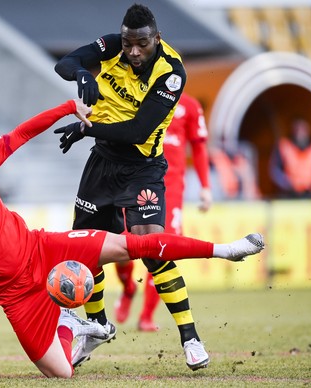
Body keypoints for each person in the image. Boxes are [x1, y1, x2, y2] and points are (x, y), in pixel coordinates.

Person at [0, 97, 265, 378]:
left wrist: (66, 107)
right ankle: (76, 325)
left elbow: (22, 133)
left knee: (130, 244)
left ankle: (226, 250)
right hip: (15, 297)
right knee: (61, 374)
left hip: (42, 248)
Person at [53, 4, 213, 370]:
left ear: (156, 39)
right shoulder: (114, 47)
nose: (133, 51)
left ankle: (190, 338)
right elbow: (63, 63)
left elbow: (137, 132)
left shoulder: (171, 73)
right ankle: (97, 325)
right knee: (84, 248)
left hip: (142, 167)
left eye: (141, 44)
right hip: (102, 163)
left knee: (153, 249)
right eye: (128, 43)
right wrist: (81, 73)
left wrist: (85, 128)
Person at [113, 93, 212, 332]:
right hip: (137, 182)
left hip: (171, 188)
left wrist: (205, 187)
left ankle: (146, 316)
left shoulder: (190, 106)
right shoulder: (137, 95)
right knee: (123, 246)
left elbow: (199, 148)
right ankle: (128, 289)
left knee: (163, 249)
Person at [269, 117, 311, 198]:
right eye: (297, 128)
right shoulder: (283, 146)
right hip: (289, 196)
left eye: (302, 128)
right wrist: (287, 185)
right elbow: (275, 171)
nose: (300, 132)